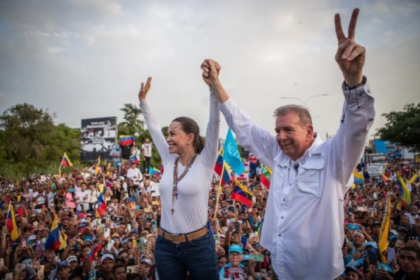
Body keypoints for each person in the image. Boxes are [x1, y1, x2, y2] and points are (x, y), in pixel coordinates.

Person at [201, 8, 375, 279]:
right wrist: (216, 84)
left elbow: (356, 128)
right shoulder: (277, 154)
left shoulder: (334, 158)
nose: (280, 137)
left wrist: (354, 82)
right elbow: (243, 126)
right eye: (277, 130)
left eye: (288, 130)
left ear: (309, 131)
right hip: (281, 270)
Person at [138, 76, 220, 279]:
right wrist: (143, 102)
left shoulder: (205, 161)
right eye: (168, 134)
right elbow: (153, 129)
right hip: (165, 246)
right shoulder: (168, 159)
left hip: (198, 246)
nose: (168, 139)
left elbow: (214, 124)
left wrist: (213, 89)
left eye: (173, 134)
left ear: (190, 137)